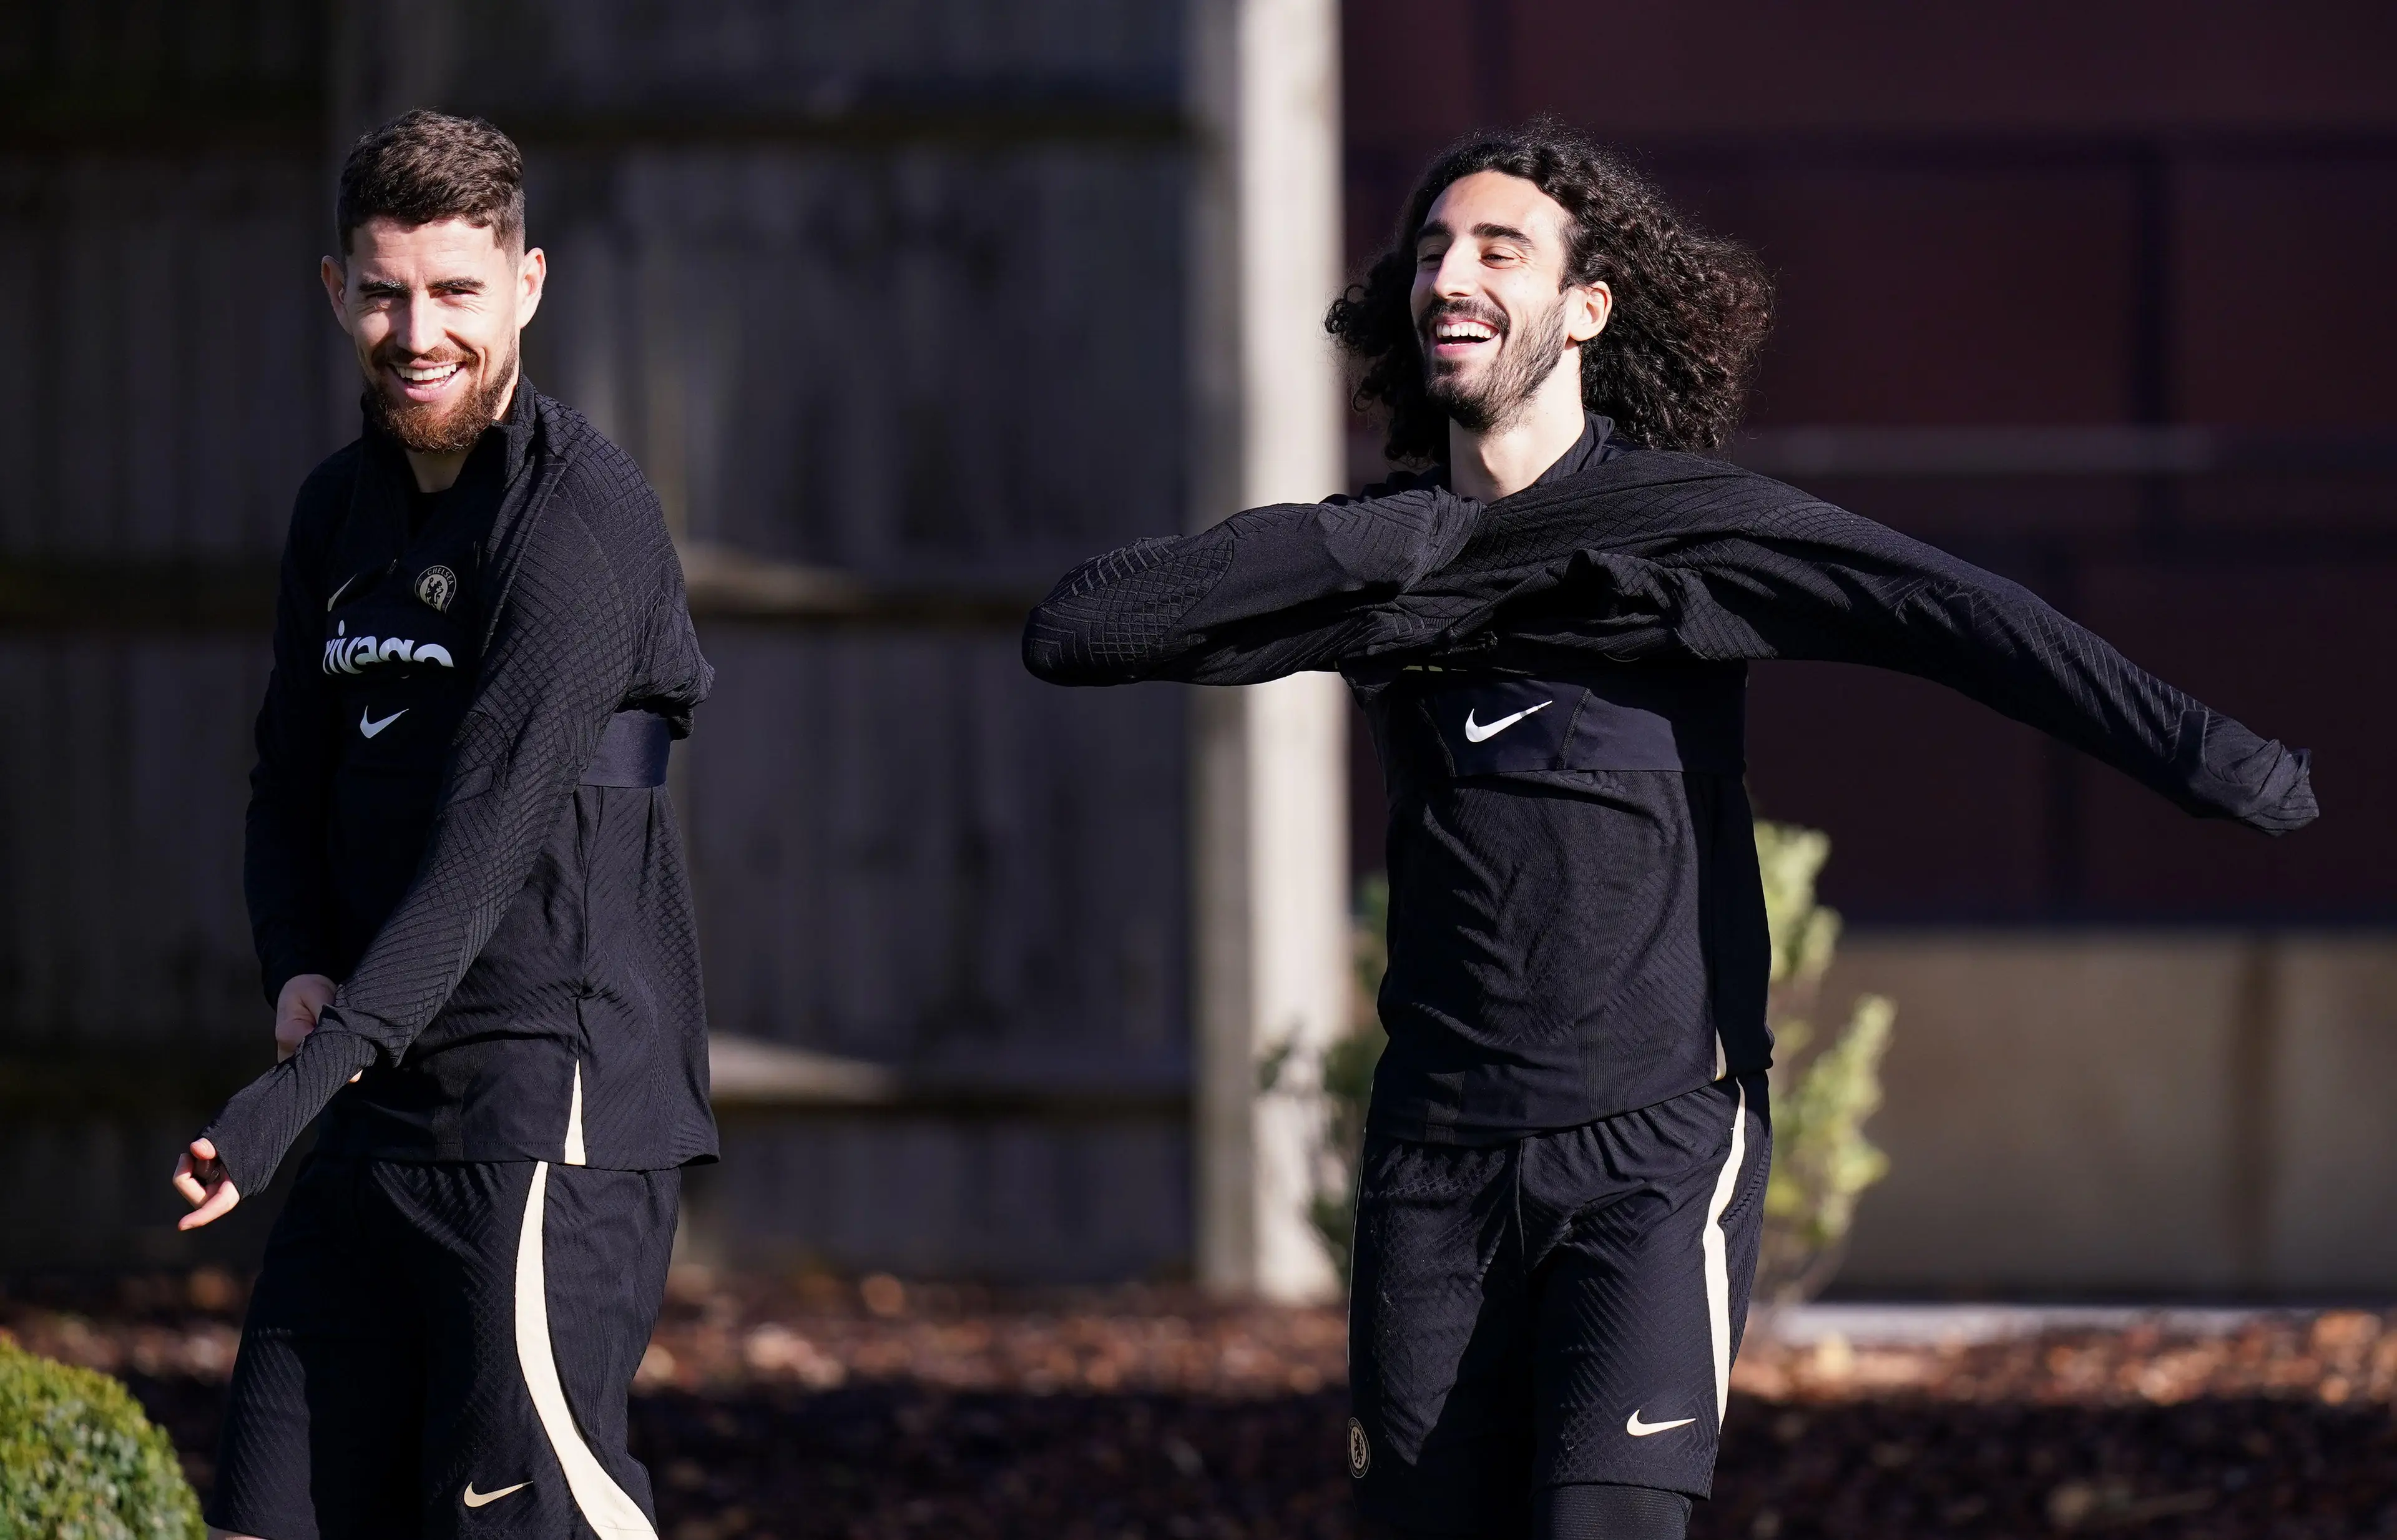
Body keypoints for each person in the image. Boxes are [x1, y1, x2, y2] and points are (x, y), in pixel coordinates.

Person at [1022, 120, 2315, 1540]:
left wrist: (2210, 758)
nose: (1454, 272)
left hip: (1651, 1151)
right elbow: (1081, 628)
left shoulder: (1684, 530)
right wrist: (1378, 543)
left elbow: (1961, 616)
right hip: (1435, 1167)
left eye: (1499, 248)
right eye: (1434, 251)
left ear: (1588, 308)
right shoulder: (1384, 564)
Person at [170, 110, 713, 1540]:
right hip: (369, 1093)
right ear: (336, 290)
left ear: (527, 285)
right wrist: (294, 958)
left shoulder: (579, 524)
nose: (421, 330)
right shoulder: (335, 515)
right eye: (388, 289)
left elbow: (485, 851)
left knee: (528, 1521)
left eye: (458, 290)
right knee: (275, 1509)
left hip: (539, 1108)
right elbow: (284, 784)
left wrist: (278, 1104)